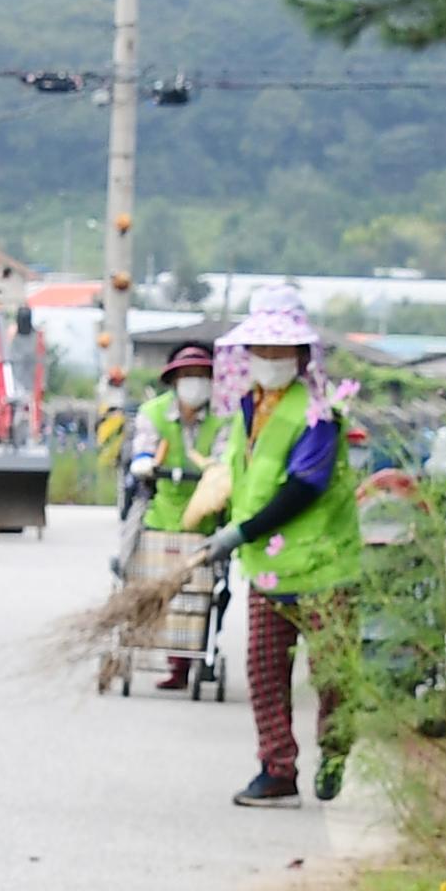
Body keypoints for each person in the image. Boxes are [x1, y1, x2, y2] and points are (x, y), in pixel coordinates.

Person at [198, 287, 353, 805]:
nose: (270, 360)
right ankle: (277, 770)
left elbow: (304, 485)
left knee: (333, 676)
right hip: (267, 569)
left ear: (302, 355)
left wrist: (242, 531)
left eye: (280, 351)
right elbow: (249, 479)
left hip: (323, 567)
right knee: (264, 673)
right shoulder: (248, 407)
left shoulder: (318, 412)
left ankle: (333, 752)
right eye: (261, 350)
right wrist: (226, 518)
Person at [119, 337, 231, 692]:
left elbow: (224, 456)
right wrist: (144, 463)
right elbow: (143, 448)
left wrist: (217, 472)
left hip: (204, 520)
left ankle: (196, 657)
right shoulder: (154, 413)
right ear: (175, 380)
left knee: (204, 592)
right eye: (188, 375)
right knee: (146, 581)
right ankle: (150, 647)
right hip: (160, 514)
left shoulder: (223, 420)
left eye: (202, 375)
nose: (195, 382)